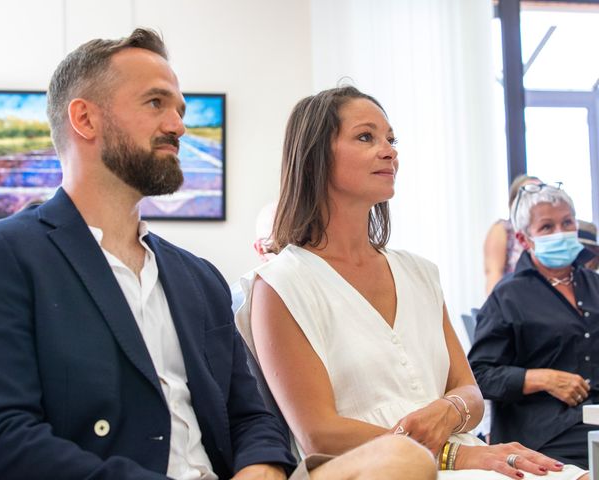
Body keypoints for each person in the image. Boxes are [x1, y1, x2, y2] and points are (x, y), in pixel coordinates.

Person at [0, 29, 437, 480]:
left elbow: (252, 418)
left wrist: (262, 467)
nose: (178, 126)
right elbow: (0, 437)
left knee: (403, 458)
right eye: (155, 104)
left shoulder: (197, 278)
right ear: (85, 119)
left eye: (180, 109)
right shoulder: (6, 256)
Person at [235, 86, 588, 479]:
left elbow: (469, 392)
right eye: (366, 137)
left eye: (391, 139)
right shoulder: (280, 284)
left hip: (470, 457)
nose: (389, 151)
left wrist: (450, 410)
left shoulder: (420, 273)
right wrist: (453, 456)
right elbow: (319, 433)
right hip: (365, 469)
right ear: (315, 157)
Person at [469, 183, 599, 470]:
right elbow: (479, 376)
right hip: (544, 432)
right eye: (547, 227)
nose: (560, 232)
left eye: (567, 222)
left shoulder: (595, 285)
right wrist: (543, 379)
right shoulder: (507, 297)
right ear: (524, 238)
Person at [484, 174, 541, 295]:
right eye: (528, 194)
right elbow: (494, 273)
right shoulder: (503, 229)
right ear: (513, 202)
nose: (535, 200)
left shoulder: (549, 232)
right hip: (513, 301)